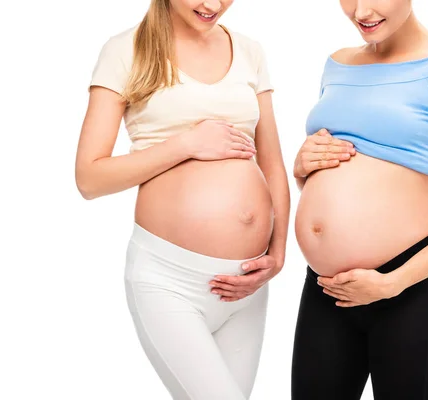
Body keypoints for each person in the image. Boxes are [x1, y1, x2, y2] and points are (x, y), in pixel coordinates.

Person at [291, 0, 428, 399]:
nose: (360, 11)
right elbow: (351, 177)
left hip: (410, 289)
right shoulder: (337, 64)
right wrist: (303, 168)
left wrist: (393, 283)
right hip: (327, 289)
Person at [74, 1, 290, 399]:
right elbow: (89, 178)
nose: (213, 5)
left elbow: (272, 163)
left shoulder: (250, 51)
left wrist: (277, 253)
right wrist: (186, 144)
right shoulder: (126, 50)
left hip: (246, 285)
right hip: (169, 279)